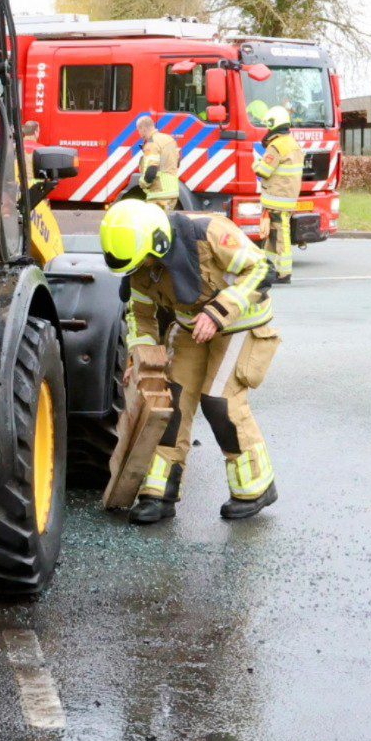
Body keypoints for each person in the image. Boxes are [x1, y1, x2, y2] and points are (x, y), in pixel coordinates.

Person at [99, 198, 280, 525]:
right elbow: (140, 318)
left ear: (159, 240)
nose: (141, 270)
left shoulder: (210, 232)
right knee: (172, 402)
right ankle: (159, 492)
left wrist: (219, 311)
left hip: (242, 323)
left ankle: (256, 486)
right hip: (192, 328)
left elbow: (262, 269)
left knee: (219, 401)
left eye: (145, 262)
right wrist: (138, 360)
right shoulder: (142, 261)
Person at [253, 106, 304, 284]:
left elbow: (264, 171)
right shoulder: (293, 143)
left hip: (276, 199)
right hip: (287, 199)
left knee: (281, 236)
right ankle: (270, 269)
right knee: (273, 237)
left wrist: (256, 165)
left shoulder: (276, 145)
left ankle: (284, 273)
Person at [134, 115, 182, 208]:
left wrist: (143, 183)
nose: (139, 134)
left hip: (158, 195)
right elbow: (177, 162)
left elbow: (151, 170)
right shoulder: (169, 139)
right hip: (173, 193)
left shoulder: (151, 143)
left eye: (138, 130)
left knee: (153, 222)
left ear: (143, 129)